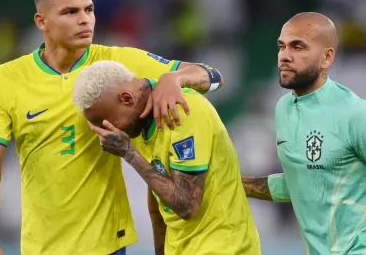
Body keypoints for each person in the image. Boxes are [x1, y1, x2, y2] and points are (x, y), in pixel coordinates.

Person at [0, 0, 224, 255]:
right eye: (71, 12)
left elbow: (212, 75)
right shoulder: (6, 79)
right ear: (41, 21)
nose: (85, 20)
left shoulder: (115, 63)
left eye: (89, 10)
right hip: (40, 246)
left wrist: (173, 79)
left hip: (108, 244)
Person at [72, 60, 261, 255]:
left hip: (223, 247)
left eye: (106, 123)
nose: (108, 132)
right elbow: (157, 193)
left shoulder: (182, 111)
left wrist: (129, 154)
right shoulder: (138, 120)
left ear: (127, 99)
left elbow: (187, 205)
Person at [242, 12, 366, 255]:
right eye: (282, 46)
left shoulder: (355, 114)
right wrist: (231, 184)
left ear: (327, 57)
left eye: (298, 47)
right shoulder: (283, 109)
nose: (285, 56)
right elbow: (302, 182)